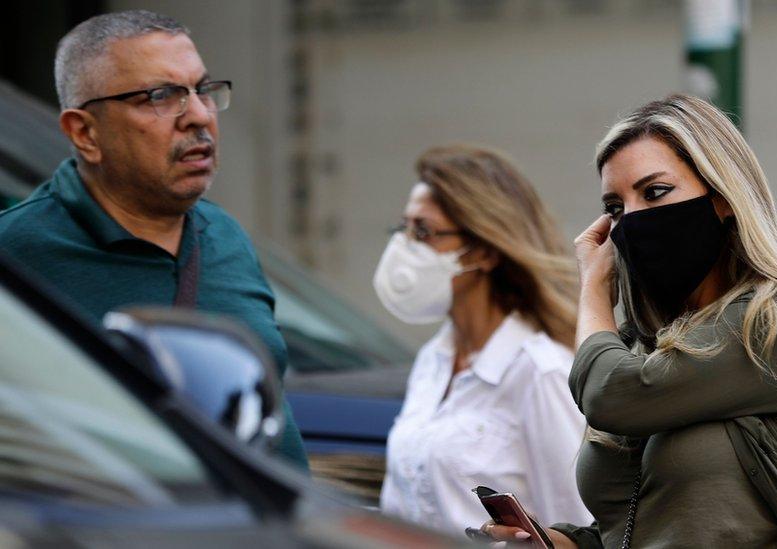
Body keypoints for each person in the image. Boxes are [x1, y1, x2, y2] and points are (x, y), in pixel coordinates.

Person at [486, 94, 777, 548]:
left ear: (723, 197)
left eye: (655, 192)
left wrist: (592, 286)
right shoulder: (640, 349)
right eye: (617, 208)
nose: (633, 220)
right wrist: (558, 544)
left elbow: (611, 396)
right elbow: (640, 528)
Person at [0, 11, 307, 470]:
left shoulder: (223, 235)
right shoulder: (16, 253)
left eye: (202, 90)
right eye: (160, 96)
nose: (200, 116)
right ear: (85, 132)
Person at [374, 144, 593, 535]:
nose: (405, 247)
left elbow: (580, 529)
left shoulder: (541, 372)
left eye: (423, 232)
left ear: (486, 252)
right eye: (404, 228)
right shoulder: (433, 359)